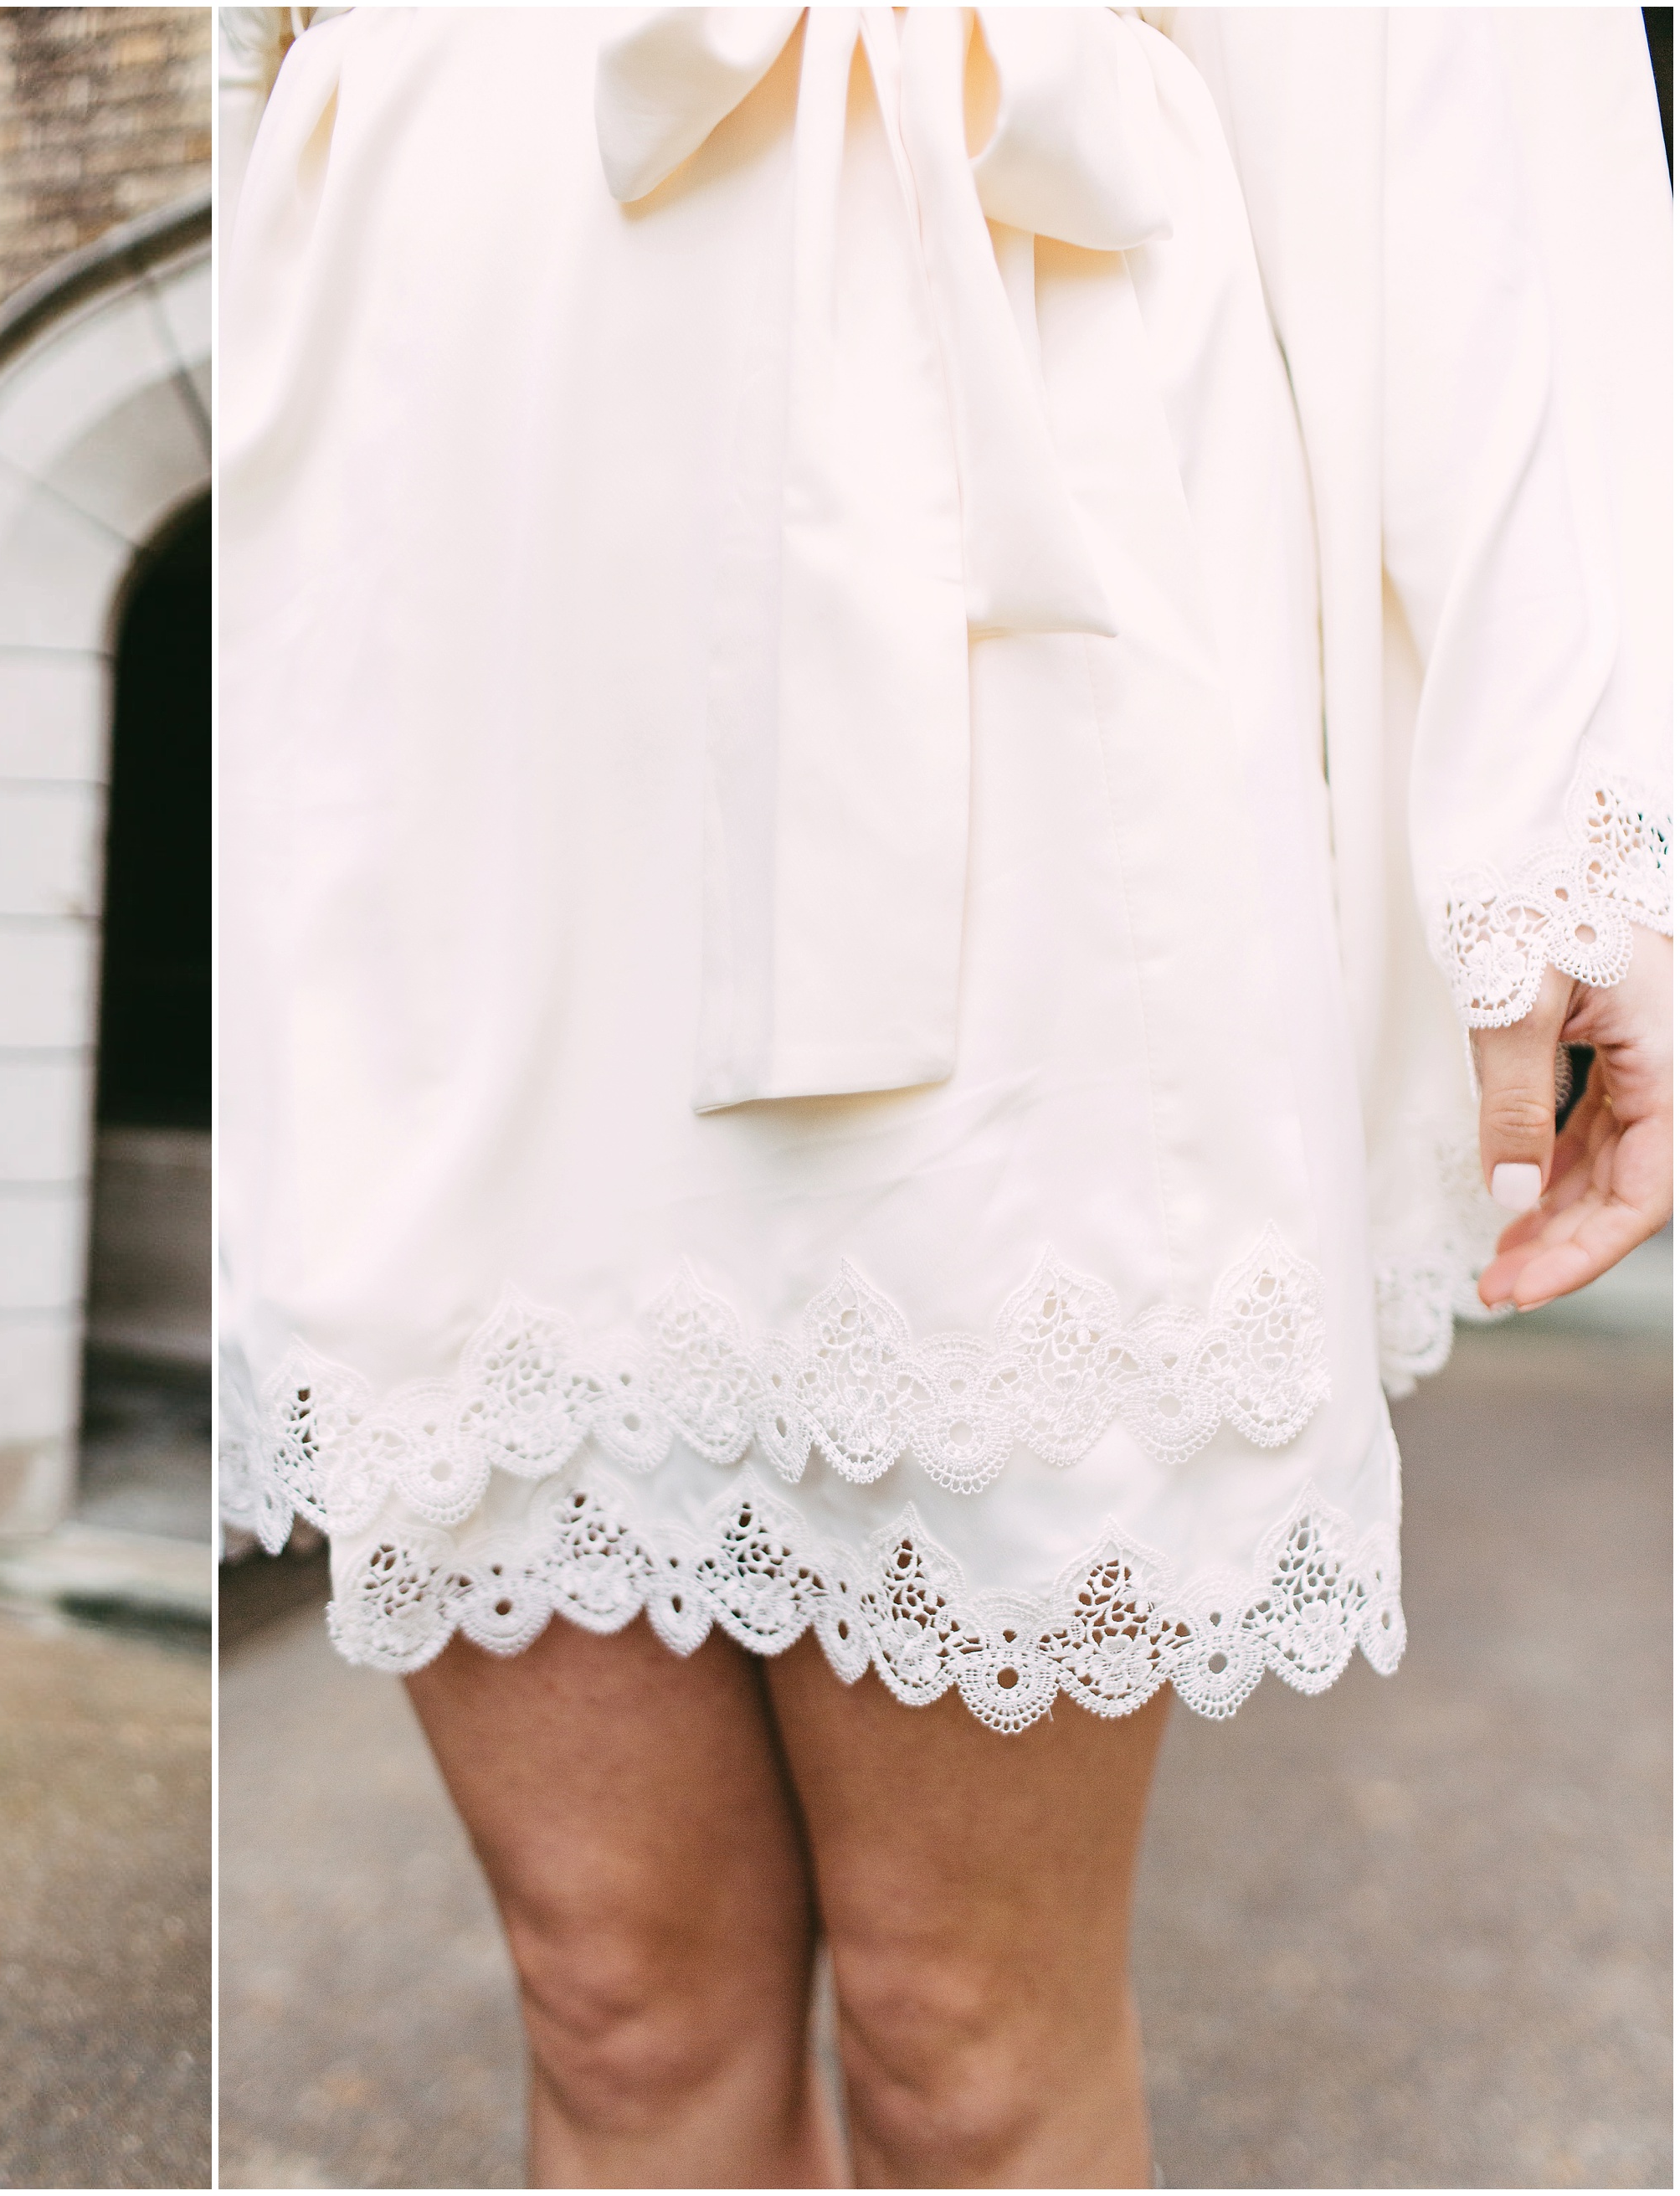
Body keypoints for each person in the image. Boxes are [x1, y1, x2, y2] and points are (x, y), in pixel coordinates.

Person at [216, 8, 1669, 2185]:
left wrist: (1569, 832)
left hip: (1021, 455)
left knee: (957, 2037)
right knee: (607, 2002)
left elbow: (1443, 83)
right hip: (458, 485)